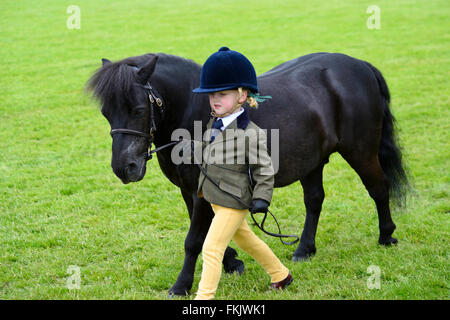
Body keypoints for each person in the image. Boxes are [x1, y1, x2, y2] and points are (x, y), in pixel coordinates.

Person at [192, 47, 293, 300]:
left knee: (212, 248)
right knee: (246, 240)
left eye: (222, 95)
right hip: (216, 196)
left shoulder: (252, 133)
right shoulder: (214, 121)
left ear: (241, 95)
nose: (215, 100)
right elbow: (208, 149)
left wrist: (262, 198)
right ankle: (280, 274)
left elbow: (264, 170)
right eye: (211, 94)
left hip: (233, 201)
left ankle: (203, 299)